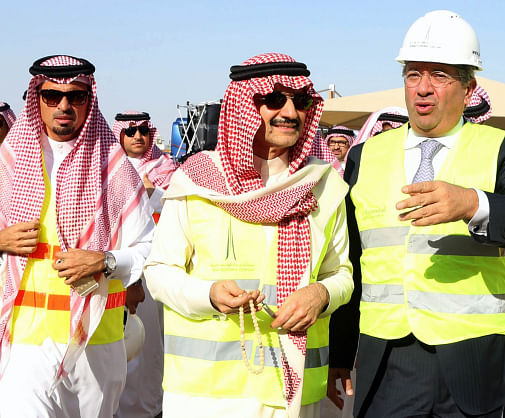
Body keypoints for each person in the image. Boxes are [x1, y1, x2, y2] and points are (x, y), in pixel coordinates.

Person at [327, 10, 505, 418]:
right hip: (388, 362)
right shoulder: (365, 156)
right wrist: (341, 351)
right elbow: (354, 259)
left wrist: (473, 203)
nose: (423, 89)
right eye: (414, 74)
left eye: (440, 76)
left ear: (469, 90)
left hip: (477, 362)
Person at [144, 52, 353, 418]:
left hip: (294, 391)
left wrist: (321, 294)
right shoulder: (197, 180)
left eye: (300, 101)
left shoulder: (323, 185)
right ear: (243, 106)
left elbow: (342, 275)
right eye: (273, 100)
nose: (290, 112)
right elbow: (159, 273)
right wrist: (207, 294)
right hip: (207, 394)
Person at [0, 55, 154, 417]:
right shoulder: (9, 163)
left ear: (90, 99)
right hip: (27, 345)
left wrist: (106, 261)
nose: (64, 106)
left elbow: (149, 247)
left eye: (77, 96)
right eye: (52, 95)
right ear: (37, 98)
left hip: (95, 345)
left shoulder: (115, 170)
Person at [112, 111, 172, 418]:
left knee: (152, 346)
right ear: (119, 134)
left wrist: (154, 192)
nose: (137, 136)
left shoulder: (170, 172)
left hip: (157, 271)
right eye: (130, 130)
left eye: (143, 130)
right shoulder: (107, 170)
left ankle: (151, 408)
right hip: (119, 271)